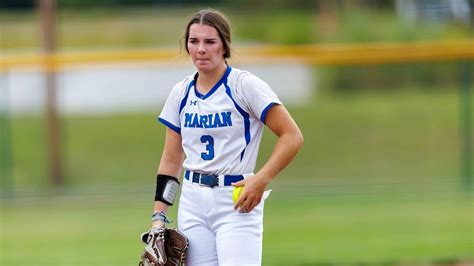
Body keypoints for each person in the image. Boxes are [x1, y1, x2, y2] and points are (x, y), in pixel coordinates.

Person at [149, 8, 304, 266]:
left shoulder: (243, 86)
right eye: (194, 41)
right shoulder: (181, 93)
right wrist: (159, 215)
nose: (201, 49)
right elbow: (171, 158)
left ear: (224, 46)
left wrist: (261, 179)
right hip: (193, 201)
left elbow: (292, 136)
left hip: (237, 199)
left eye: (210, 41)